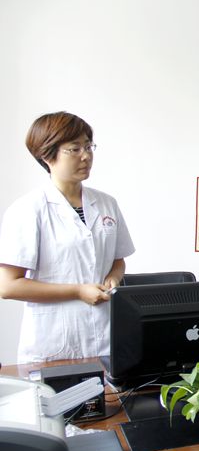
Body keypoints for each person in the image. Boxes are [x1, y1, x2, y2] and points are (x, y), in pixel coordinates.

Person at [0, 112, 135, 363]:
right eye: (74, 149)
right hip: (53, 340)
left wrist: (114, 278)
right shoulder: (28, 209)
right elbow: (8, 286)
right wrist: (77, 291)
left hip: (105, 335)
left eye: (88, 146)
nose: (86, 156)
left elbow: (118, 259)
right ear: (46, 155)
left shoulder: (107, 203)